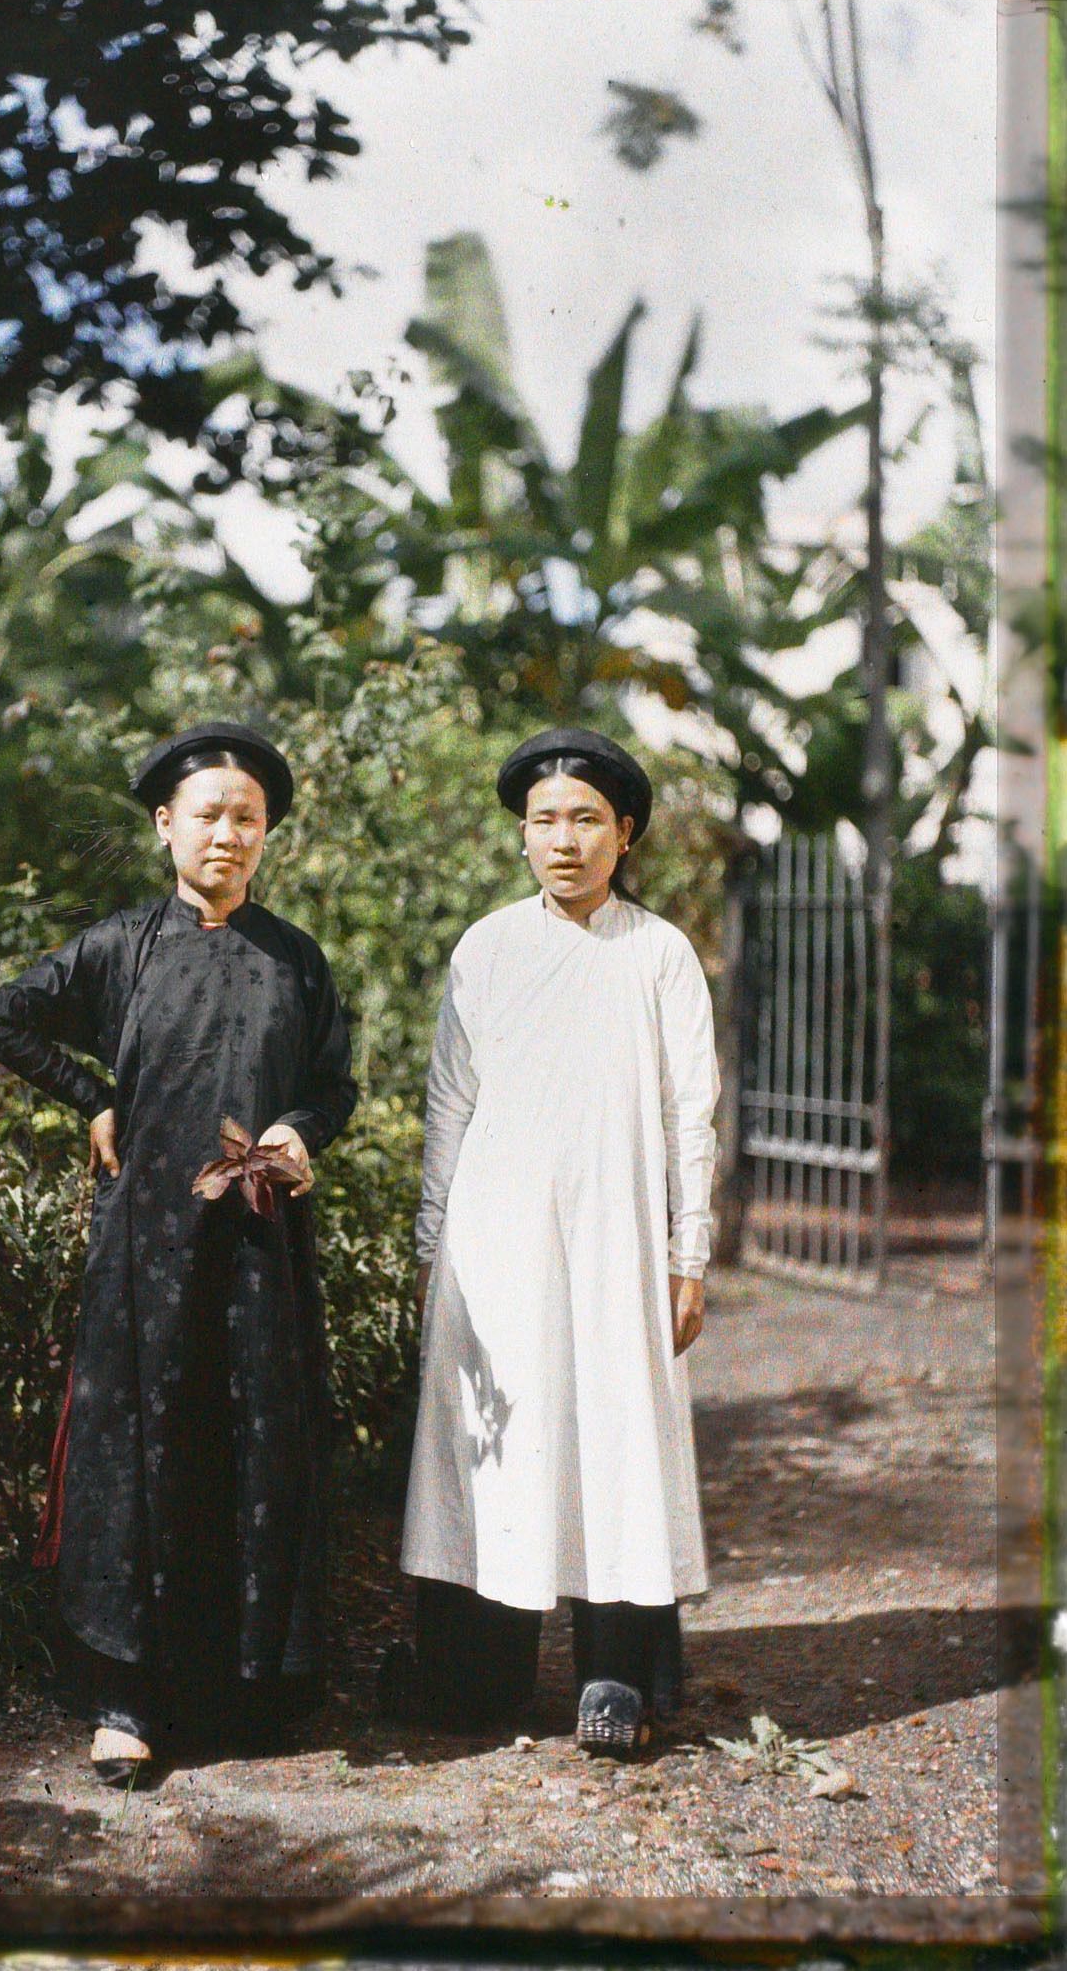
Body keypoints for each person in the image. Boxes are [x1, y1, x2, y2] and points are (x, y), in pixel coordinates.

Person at [0, 722, 357, 1785]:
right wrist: (94, 1095)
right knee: (138, 1448)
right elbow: (0, 1016)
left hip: (258, 1252)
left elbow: (334, 1083)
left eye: (248, 818)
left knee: (253, 1441)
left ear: (267, 833)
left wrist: (299, 1134)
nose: (227, 834)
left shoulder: (295, 957)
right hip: (144, 1251)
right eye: (207, 814)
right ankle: (124, 1700)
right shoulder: (120, 946)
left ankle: (244, 1689)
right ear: (164, 825)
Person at [383, 726, 719, 1755]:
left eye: (585, 819)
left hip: (618, 1238)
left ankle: (616, 1673)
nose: (563, 840)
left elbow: (690, 1111)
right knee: (497, 1441)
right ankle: (473, 1676)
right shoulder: (486, 946)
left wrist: (687, 1251)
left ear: (624, 832)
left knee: (614, 1440)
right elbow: (450, 1102)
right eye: (543, 820)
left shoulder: (657, 953)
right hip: (497, 1240)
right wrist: (434, 1243)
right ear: (521, 835)